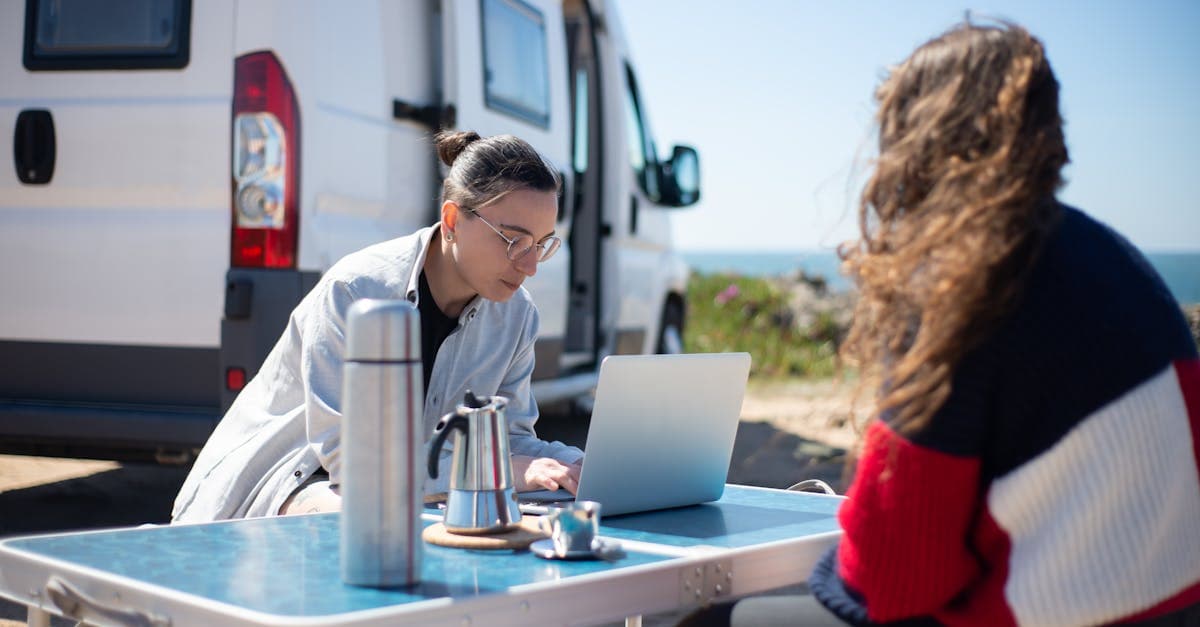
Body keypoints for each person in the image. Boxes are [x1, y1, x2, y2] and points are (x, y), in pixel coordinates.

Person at [683, 20, 1200, 627]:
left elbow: (894, 582)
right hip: (1170, 608)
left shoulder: (963, 281)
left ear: (917, 140)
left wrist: (827, 566)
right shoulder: (1116, 258)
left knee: (712, 620)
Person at [173, 131, 584, 522]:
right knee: (378, 522)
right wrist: (497, 469)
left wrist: (581, 464)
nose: (530, 266)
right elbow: (353, 467)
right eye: (514, 240)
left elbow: (510, 443)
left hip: (401, 492)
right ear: (453, 220)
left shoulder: (517, 315)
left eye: (542, 244)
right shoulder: (354, 292)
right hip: (281, 488)